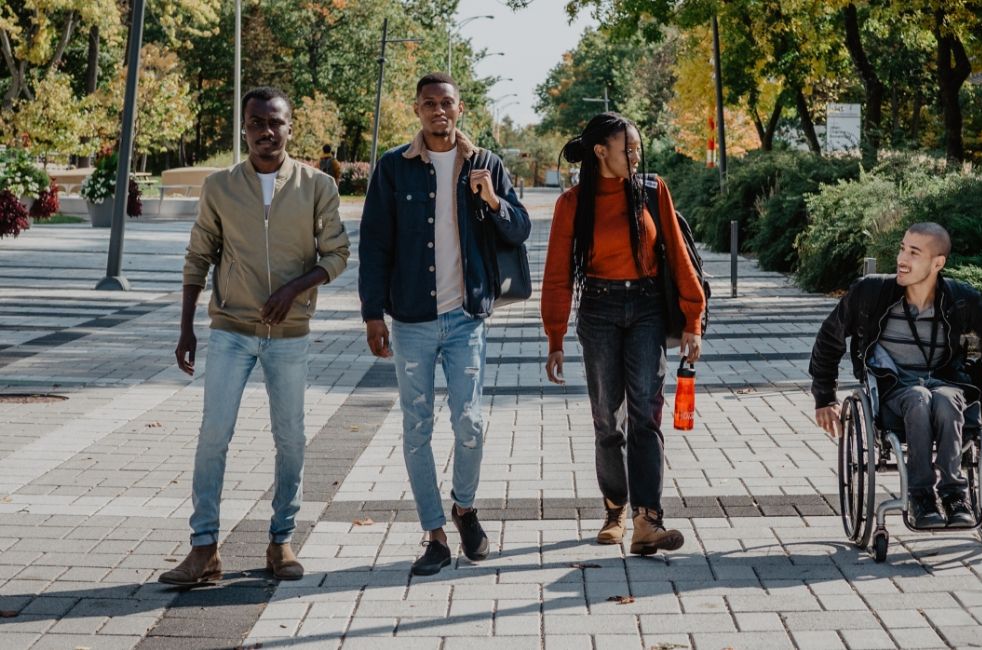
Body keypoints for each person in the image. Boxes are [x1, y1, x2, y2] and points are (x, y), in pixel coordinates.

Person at [164, 86, 350, 585]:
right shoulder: (220, 186)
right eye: (256, 123)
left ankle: (281, 541)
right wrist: (186, 327)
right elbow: (198, 255)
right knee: (213, 437)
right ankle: (204, 548)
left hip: (289, 335)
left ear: (291, 127)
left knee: (290, 438)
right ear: (243, 127)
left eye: (276, 122)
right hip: (230, 330)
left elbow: (336, 254)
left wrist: (296, 287)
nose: (266, 132)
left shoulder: (317, 186)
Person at [358, 72, 530, 576]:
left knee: (470, 422)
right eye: (429, 103)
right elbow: (374, 245)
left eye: (446, 103)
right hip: (410, 319)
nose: (438, 111)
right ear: (416, 110)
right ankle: (434, 533)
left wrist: (492, 199)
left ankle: (464, 507)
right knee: (417, 428)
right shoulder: (393, 168)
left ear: (460, 108)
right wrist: (373, 313)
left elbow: (519, 229)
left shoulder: (485, 165)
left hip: (465, 319)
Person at [541, 112, 705, 555]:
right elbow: (557, 275)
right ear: (601, 152)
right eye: (626, 149)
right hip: (598, 310)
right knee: (606, 418)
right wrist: (554, 337)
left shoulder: (653, 190)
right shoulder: (573, 204)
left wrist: (694, 319)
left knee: (646, 416)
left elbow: (679, 258)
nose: (635, 156)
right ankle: (615, 508)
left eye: (637, 148)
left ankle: (647, 520)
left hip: (648, 308)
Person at [809, 223, 982, 529]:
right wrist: (824, 397)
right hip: (893, 389)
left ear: (937, 263)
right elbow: (829, 338)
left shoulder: (960, 298)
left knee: (944, 399)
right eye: (902, 248)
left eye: (914, 253)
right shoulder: (871, 292)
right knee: (918, 398)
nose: (902, 258)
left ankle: (955, 495)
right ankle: (920, 497)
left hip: (946, 383)